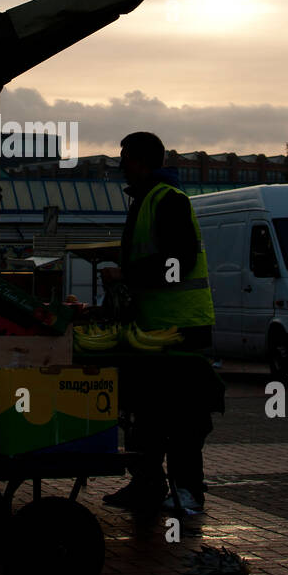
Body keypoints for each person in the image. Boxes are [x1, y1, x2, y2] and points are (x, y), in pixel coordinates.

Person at [102, 131, 218, 515]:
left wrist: (127, 276)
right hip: (157, 329)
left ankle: (186, 493)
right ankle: (149, 483)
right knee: (148, 412)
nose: (120, 165)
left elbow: (177, 263)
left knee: (181, 415)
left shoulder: (167, 201)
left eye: (124, 158)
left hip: (181, 329)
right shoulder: (147, 200)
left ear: (140, 161)